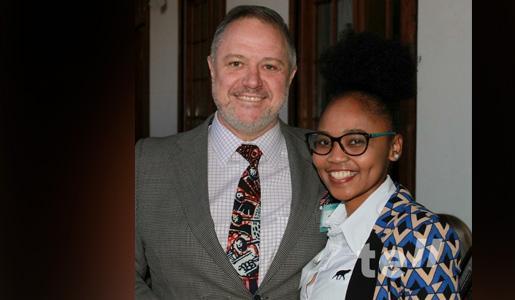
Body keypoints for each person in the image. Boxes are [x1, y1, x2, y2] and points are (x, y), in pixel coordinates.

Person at [135, 6, 326, 299]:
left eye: (270, 66)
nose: (252, 81)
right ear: (212, 68)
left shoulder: (326, 157)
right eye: (236, 63)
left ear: (291, 76)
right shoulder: (147, 163)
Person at [300, 32, 462, 299]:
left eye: (355, 141)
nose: (335, 156)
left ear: (394, 147)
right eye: (325, 141)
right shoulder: (328, 218)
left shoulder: (420, 236)